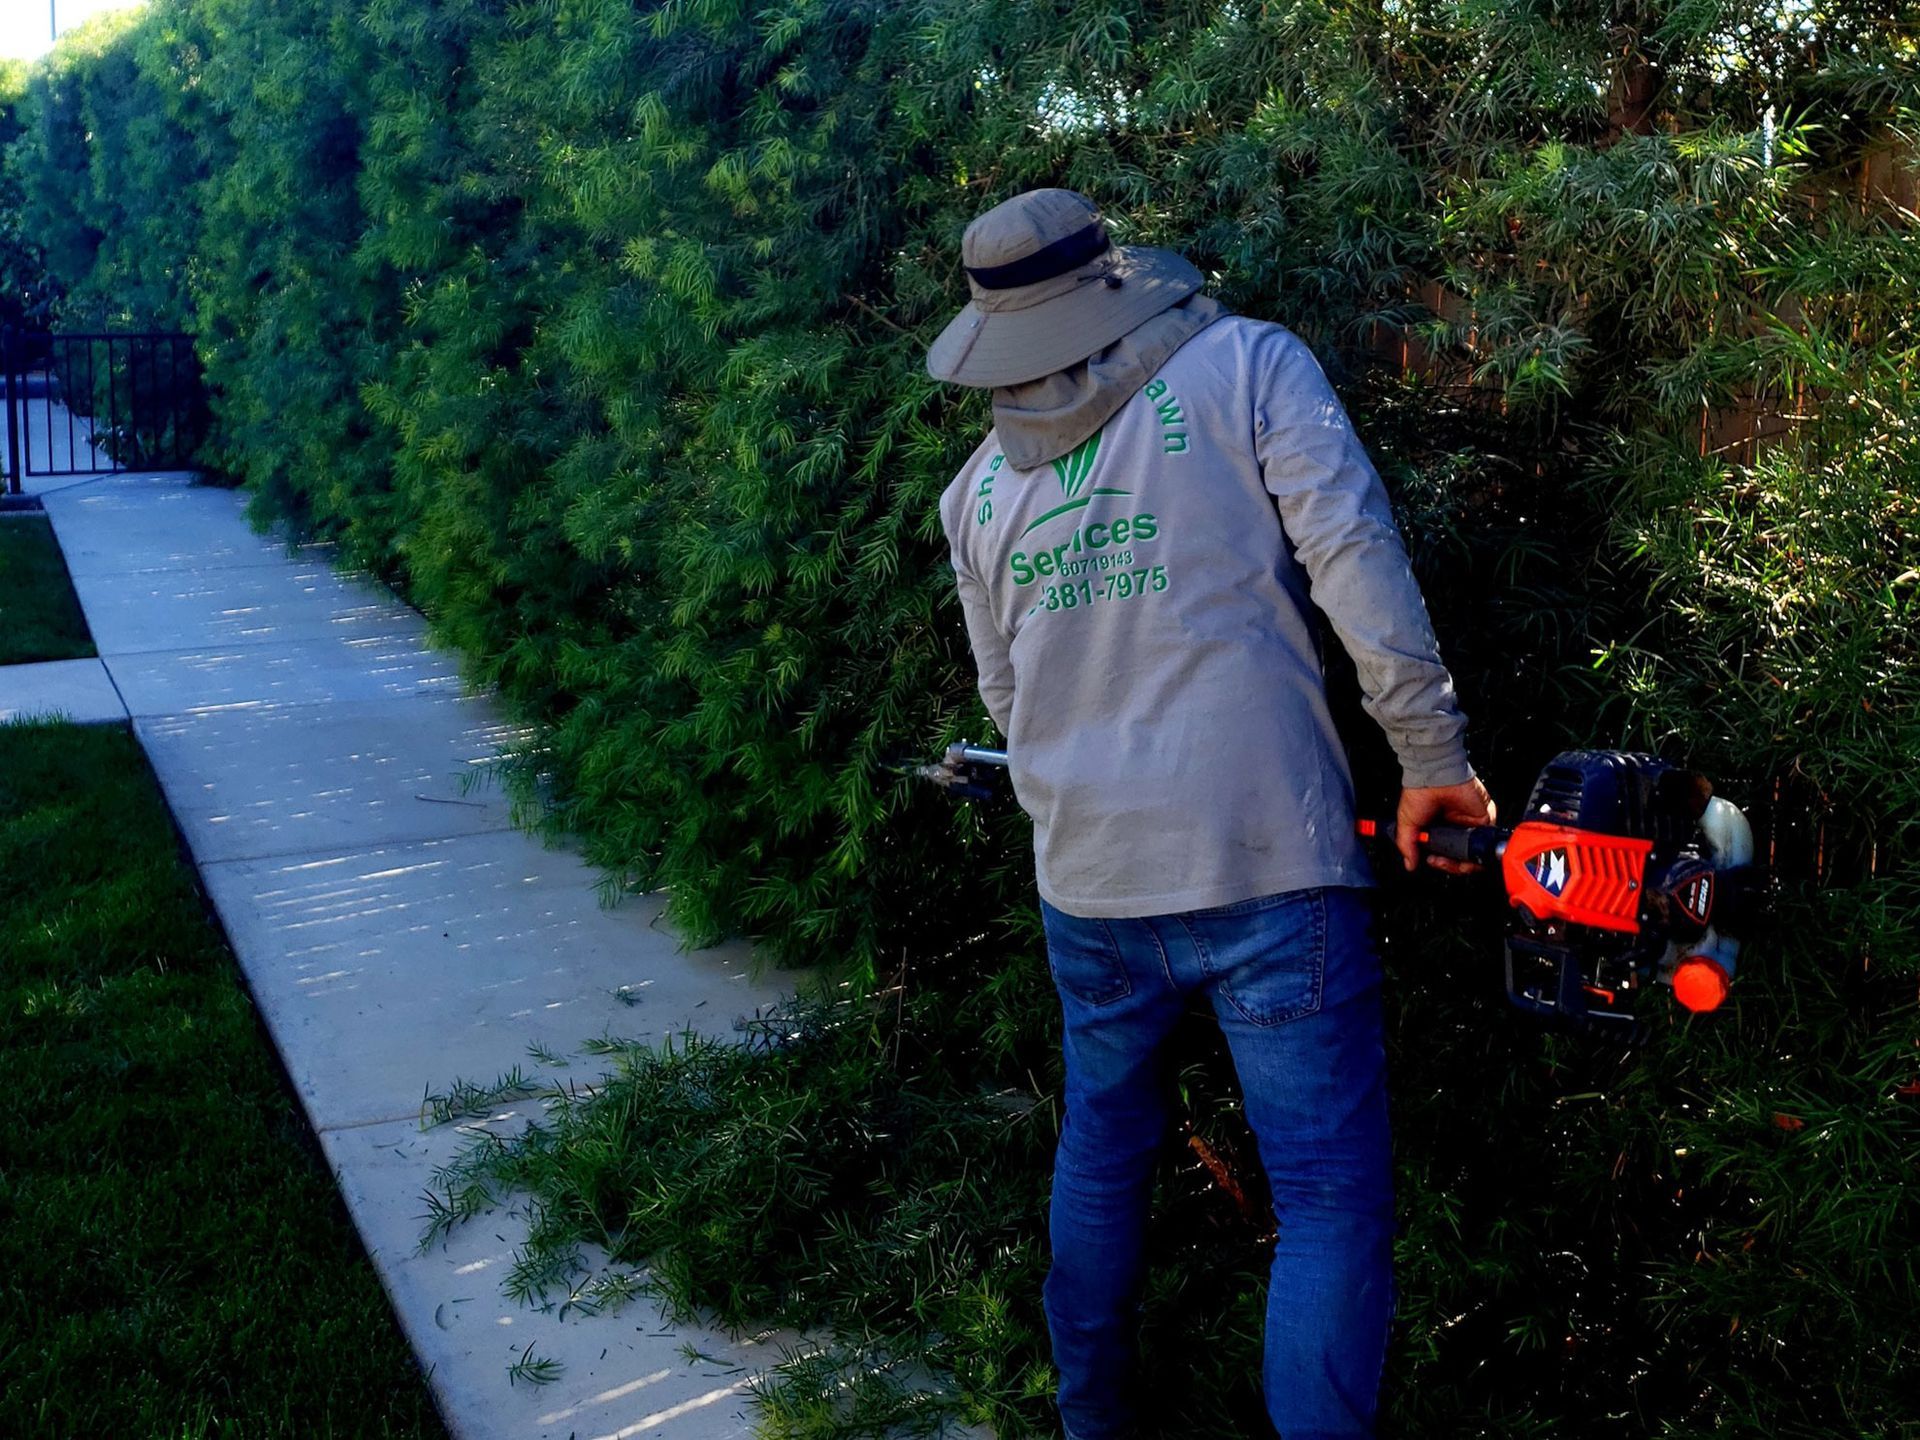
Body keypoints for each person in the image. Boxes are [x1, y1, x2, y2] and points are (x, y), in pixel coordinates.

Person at [927, 188, 1495, 1440]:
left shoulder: (974, 495)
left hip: (1088, 885)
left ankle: (1090, 1422)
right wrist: (1430, 756)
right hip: (1269, 859)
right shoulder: (1249, 367)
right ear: (1114, 281)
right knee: (1328, 1200)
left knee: (1102, 1151)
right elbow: (1358, 564)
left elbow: (1011, 708)